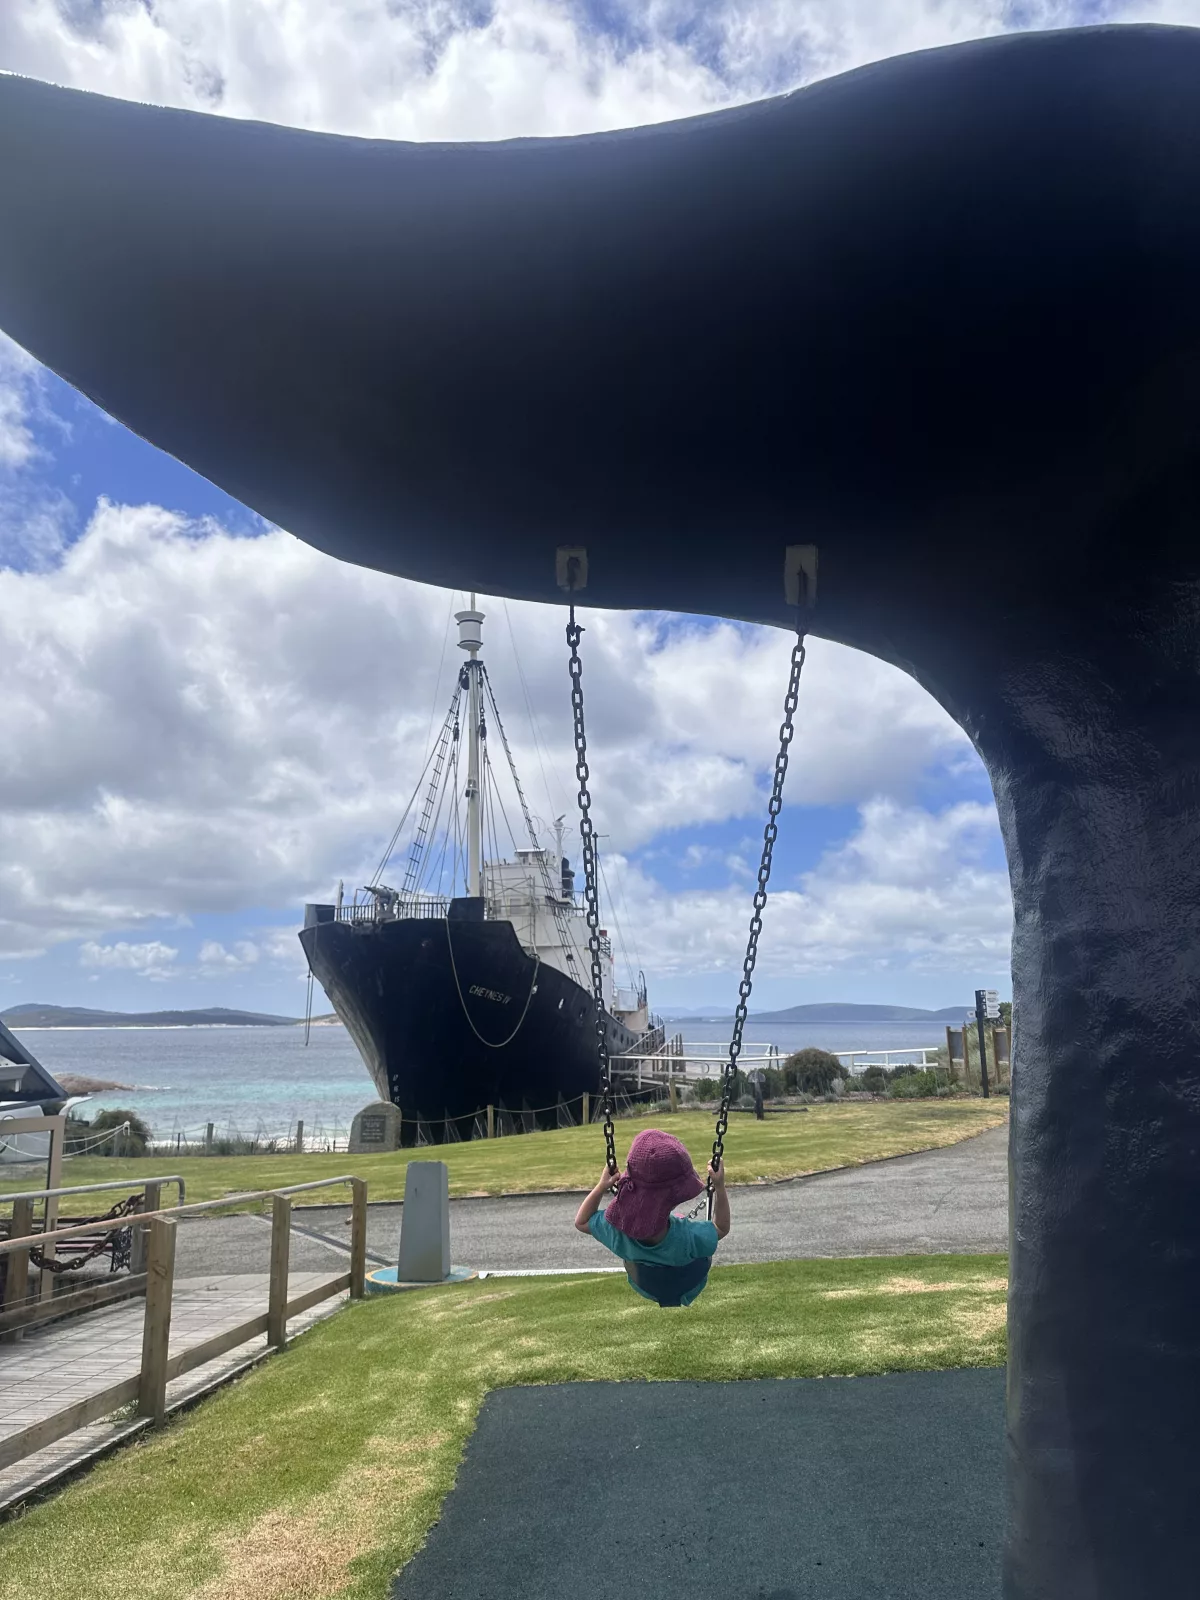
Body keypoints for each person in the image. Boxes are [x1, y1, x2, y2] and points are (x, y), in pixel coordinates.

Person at [574, 1127, 730, 1307]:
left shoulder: (616, 1233)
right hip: (689, 1284)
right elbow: (721, 1228)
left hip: (646, 1285)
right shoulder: (686, 1237)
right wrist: (720, 1187)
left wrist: (601, 1186)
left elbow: (582, 1221)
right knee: (701, 1244)